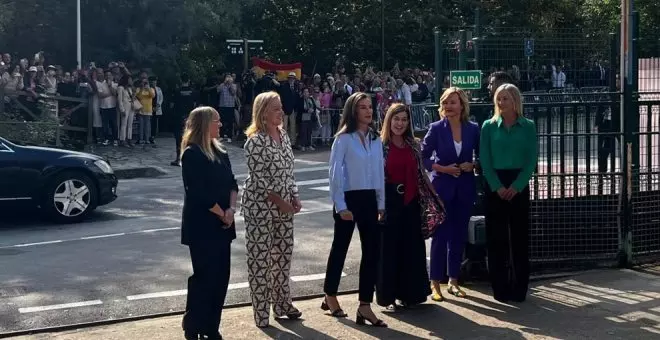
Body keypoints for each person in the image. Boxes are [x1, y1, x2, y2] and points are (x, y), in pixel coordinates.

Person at [323, 92, 387, 327]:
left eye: (370, 107)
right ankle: (330, 294)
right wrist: (340, 205)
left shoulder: (374, 138)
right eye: (363, 107)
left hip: (369, 198)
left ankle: (364, 305)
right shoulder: (343, 139)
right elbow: (335, 174)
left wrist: (381, 203)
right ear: (353, 110)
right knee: (340, 248)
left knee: (371, 251)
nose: (368, 111)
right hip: (349, 199)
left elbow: (379, 173)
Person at [242, 91, 303, 328]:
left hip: (284, 207)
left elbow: (289, 172)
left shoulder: (284, 135)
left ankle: (282, 303)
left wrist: (294, 197)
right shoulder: (254, 142)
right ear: (263, 112)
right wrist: (282, 203)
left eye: (281, 107)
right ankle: (261, 312)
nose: (282, 112)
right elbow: (261, 182)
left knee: (283, 257)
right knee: (260, 261)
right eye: (276, 108)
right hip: (260, 209)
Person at [180, 106, 238, 340]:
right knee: (204, 277)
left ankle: (212, 326)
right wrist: (220, 212)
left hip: (224, 224)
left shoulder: (221, 152)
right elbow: (197, 192)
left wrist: (231, 210)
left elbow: (233, 183)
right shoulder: (191, 153)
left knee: (221, 277)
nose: (220, 124)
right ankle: (194, 323)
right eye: (216, 120)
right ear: (204, 123)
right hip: (202, 225)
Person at [376, 103, 442, 310]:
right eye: (396, 119)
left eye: (404, 120)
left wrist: (435, 196)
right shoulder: (379, 145)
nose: (400, 123)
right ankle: (388, 297)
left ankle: (411, 294)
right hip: (388, 202)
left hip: (411, 202)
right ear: (389, 120)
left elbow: (422, 173)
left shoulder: (414, 144)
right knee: (389, 251)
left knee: (412, 249)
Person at [479, 83, 538, 303]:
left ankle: (520, 287)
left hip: (518, 185)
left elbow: (531, 159)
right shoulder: (488, 126)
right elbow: (485, 159)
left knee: (520, 239)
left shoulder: (528, 126)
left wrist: (517, 186)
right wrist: (497, 186)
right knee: (496, 239)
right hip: (495, 183)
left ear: (515, 100)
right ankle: (500, 288)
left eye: (505, 98)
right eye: (498, 99)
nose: (501, 102)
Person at [421, 87, 480, 301]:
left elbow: (482, 158)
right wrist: (442, 169)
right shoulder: (436, 128)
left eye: (453, 102)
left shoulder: (473, 129)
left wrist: (471, 164)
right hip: (442, 189)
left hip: (464, 189)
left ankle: (453, 280)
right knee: (440, 236)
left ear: (462, 105)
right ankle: (435, 281)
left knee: (458, 236)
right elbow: (423, 157)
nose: (448, 107)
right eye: (445, 102)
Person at [171, 73, 198, 166]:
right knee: (191, 137)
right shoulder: (193, 92)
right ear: (189, 80)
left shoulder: (176, 91)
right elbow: (195, 105)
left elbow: (172, 105)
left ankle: (179, 158)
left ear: (181, 80)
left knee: (179, 138)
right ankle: (191, 157)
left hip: (178, 117)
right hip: (190, 117)